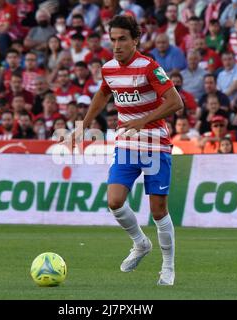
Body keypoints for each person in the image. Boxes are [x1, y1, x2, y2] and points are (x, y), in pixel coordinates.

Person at [73, 15, 183, 286]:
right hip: (126, 145)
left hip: (155, 145)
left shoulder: (150, 67)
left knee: (158, 211)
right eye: (113, 39)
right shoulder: (109, 69)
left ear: (135, 40)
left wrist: (143, 120)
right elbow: (102, 94)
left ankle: (168, 267)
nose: (117, 45)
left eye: (123, 39)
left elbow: (175, 102)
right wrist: (83, 125)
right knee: (114, 201)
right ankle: (140, 243)